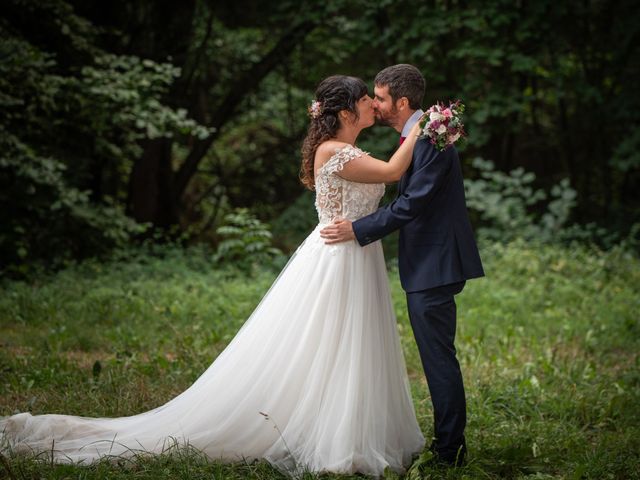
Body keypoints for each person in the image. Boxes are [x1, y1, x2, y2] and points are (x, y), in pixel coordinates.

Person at [0, 75, 426, 477]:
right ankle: (336, 442)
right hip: (338, 259)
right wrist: (423, 127)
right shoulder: (334, 151)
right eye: (368, 101)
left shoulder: (347, 150)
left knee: (349, 345)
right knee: (334, 342)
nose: (374, 105)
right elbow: (391, 173)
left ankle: (343, 430)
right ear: (348, 111)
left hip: (355, 254)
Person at [320, 64, 485, 466]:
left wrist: (358, 229)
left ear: (402, 101)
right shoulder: (422, 134)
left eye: (379, 98)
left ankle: (450, 452)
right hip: (430, 260)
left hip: (436, 263)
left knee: (437, 357)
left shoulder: (430, 138)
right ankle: (448, 445)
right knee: (436, 354)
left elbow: (412, 204)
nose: (374, 105)